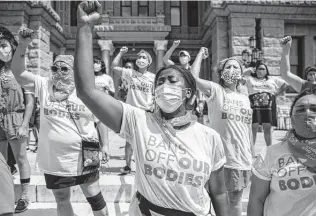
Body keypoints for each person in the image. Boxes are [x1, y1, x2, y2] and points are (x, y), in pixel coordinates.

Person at [74, 2, 229, 215]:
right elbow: (87, 91)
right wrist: (84, 29)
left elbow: (219, 193)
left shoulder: (210, 138)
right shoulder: (139, 121)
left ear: (189, 93)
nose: (165, 86)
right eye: (160, 82)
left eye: (172, 81)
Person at [11, 28, 108, 216]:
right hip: (55, 160)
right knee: (62, 199)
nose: (59, 72)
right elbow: (19, 72)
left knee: (95, 199)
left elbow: (101, 121)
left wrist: (106, 147)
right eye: (55, 68)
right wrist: (23, 45)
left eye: (64, 69)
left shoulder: (87, 91)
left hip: (84, 155)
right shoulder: (44, 86)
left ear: (74, 71)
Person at [191, 47, 253, 216]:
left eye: (235, 68)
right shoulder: (216, 91)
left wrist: (251, 156)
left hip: (242, 159)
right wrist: (199, 56)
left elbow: (248, 130)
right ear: (221, 72)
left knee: (235, 201)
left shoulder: (245, 99)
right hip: (219, 159)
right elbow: (193, 78)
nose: (231, 70)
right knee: (213, 199)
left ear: (241, 75)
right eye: (228, 67)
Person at [248, 89, 316, 216]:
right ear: (292, 119)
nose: (307, 114)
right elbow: (256, 200)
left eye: (314, 109)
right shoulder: (270, 154)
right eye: (301, 110)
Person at [0, 26, 34, 213]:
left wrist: (24, 124)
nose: (2, 50)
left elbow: (30, 102)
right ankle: (5, 196)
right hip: (0, 120)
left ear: (12, 46)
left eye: (4, 45)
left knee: (21, 159)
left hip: (16, 118)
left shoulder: (20, 69)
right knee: (2, 163)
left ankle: (24, 196)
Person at [112, 47, 155, 175]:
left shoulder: (153, 77)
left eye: (144, 58)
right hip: (131, 111)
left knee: (145, 141)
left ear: (149, 62)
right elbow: (114, 66)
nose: (141, 60)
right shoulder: (130, 73)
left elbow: (155, 94)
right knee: (129, 141)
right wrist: (120, 52)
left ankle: (144, 166)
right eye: (139, 57)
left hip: (146, 112)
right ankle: (127, 166)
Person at [241, 62, 288, 146]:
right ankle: (251, 151)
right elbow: (238, 79)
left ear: (266, 71)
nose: (261, 71)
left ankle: (269, 150)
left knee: (267, 128)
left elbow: (286, 84)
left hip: (268, 106)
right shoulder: (250, 79)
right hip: (254, 106)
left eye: (263, 69)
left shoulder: (272, 79)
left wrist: (277, 93)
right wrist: (246, 70)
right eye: (259, 69)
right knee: (253, 128)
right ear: (255, 70)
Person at [94, 58, 115, 162]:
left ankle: (105, 151)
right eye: (94, 63)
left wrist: (107, 88)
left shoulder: (108, 78)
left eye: (97, 63)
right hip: (90, 105)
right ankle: (95, 154)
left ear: (102, 65)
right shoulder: (89, 77)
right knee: (93, 133)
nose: (95, 65)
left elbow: (113, 94)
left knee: (103, 130)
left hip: (103, 105)